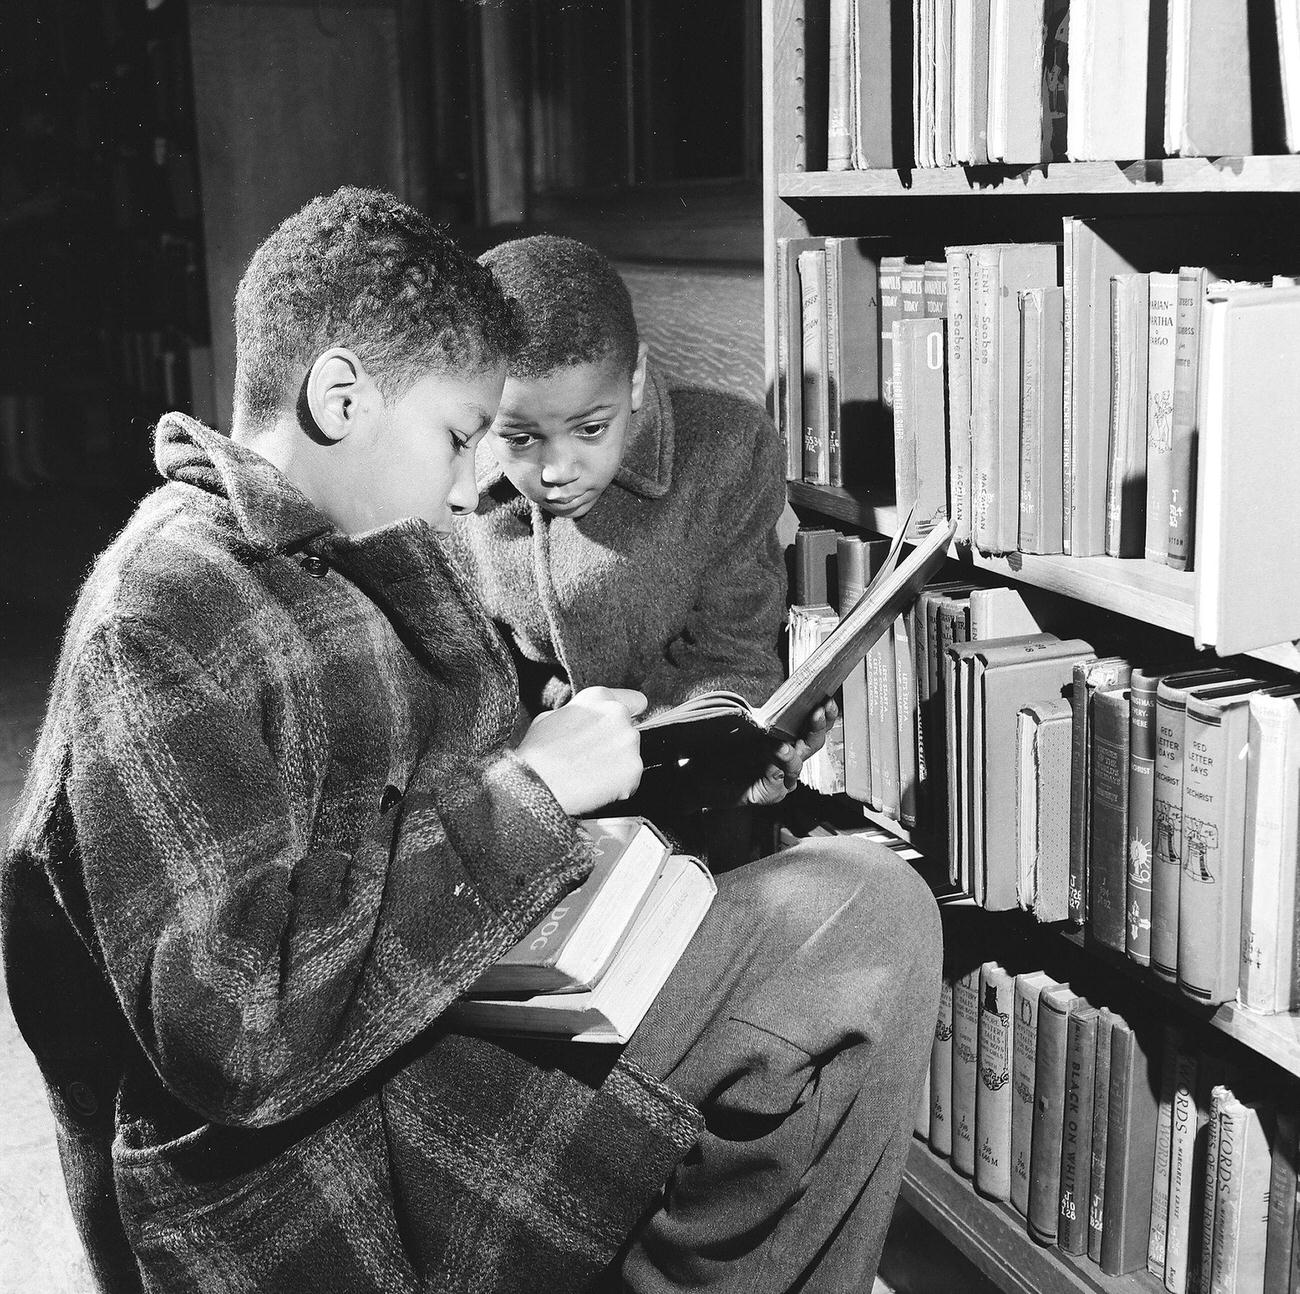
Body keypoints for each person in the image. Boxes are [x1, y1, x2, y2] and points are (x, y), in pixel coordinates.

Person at [2, 188, 940, 1294]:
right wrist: (532, 786)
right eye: (459, 437)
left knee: (863, 903)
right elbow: (235, 1040)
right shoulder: (159, 614)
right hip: (324, 1154)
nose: (468, 488)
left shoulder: (357, 547)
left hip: (447, 1010)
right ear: (341, 395)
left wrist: (631, 769)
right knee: (857, 938)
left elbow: (447, 812)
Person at [449, 235, 831, 839]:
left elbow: (736, 660)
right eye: (518, 438)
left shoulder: (727, 453)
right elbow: (471, 694)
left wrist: (726, 765)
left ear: (635, 380)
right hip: (535, 809)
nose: (556, 469)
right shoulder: (456, 490)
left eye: (591, 428)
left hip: (699, 796)